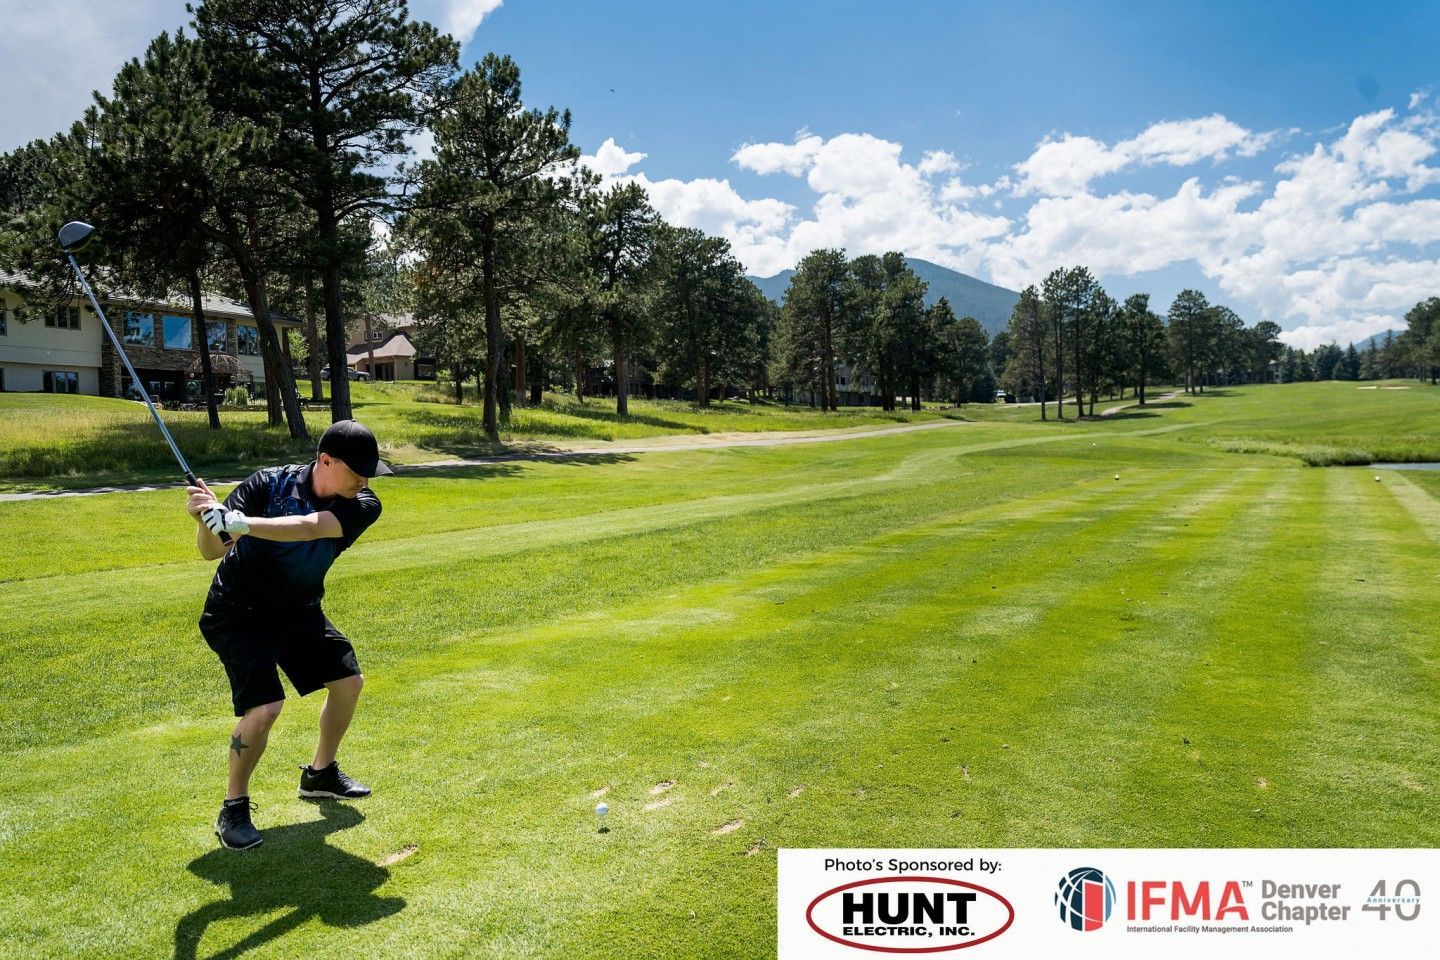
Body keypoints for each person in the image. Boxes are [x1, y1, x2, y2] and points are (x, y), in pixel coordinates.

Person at [187, 420, 391, 850]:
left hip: (297, 609)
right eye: (356, 469)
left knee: (348, 682)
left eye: (369, 471)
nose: (364, 480)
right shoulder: (267, 484)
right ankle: (234, 807)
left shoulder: (363, 504)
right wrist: (208, 519)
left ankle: (320, 774)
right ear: (325, 460)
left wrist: (239, 522)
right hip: (237, 612)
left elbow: (310, 527)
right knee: (264, 708)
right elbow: (211, 550)